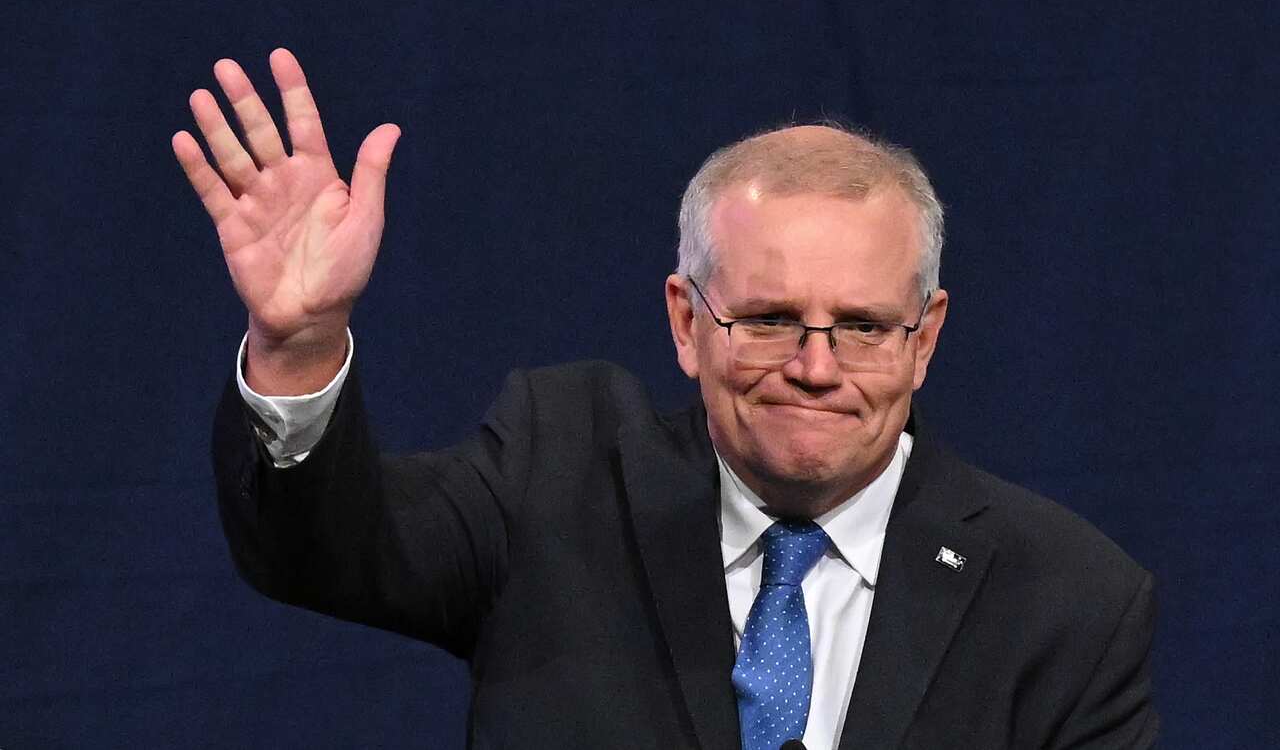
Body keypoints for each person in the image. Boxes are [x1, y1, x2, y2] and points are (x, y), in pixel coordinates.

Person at [175, 49, 1158, 749]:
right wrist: (299, 344)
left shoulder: (1066, 598)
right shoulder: (554, 482)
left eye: (861, 326)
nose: (815, 367)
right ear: (686, 321)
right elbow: (321, 552)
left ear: (924, 339)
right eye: (769, 318)